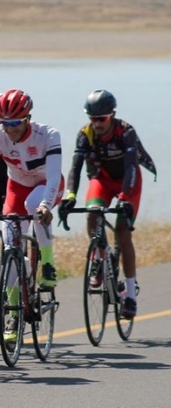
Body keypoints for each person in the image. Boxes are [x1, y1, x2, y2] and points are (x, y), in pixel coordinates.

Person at [0, 88, 63, 342]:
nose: (10, 129)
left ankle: (48, 263)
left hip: (46, 185)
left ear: (28, 119)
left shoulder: (48, 135)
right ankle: (14, 313)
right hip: (17, 186)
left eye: (15, 124)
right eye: (5, 123)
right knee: (10, 246)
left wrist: (46, 205)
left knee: (34, 204)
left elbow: (54, 175)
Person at [61, 89, 157, 319]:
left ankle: (130, 293)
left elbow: (131, 166)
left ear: (112, 115)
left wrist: (124, 197)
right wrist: (70, 195)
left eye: (102, 119)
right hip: (102, 180)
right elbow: (75, 168)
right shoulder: (85, 134)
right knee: (92, 214)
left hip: (127, 182)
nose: (97, 124)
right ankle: (98, 258)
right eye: (93, 118)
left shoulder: (125, 131)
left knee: (123, 232)